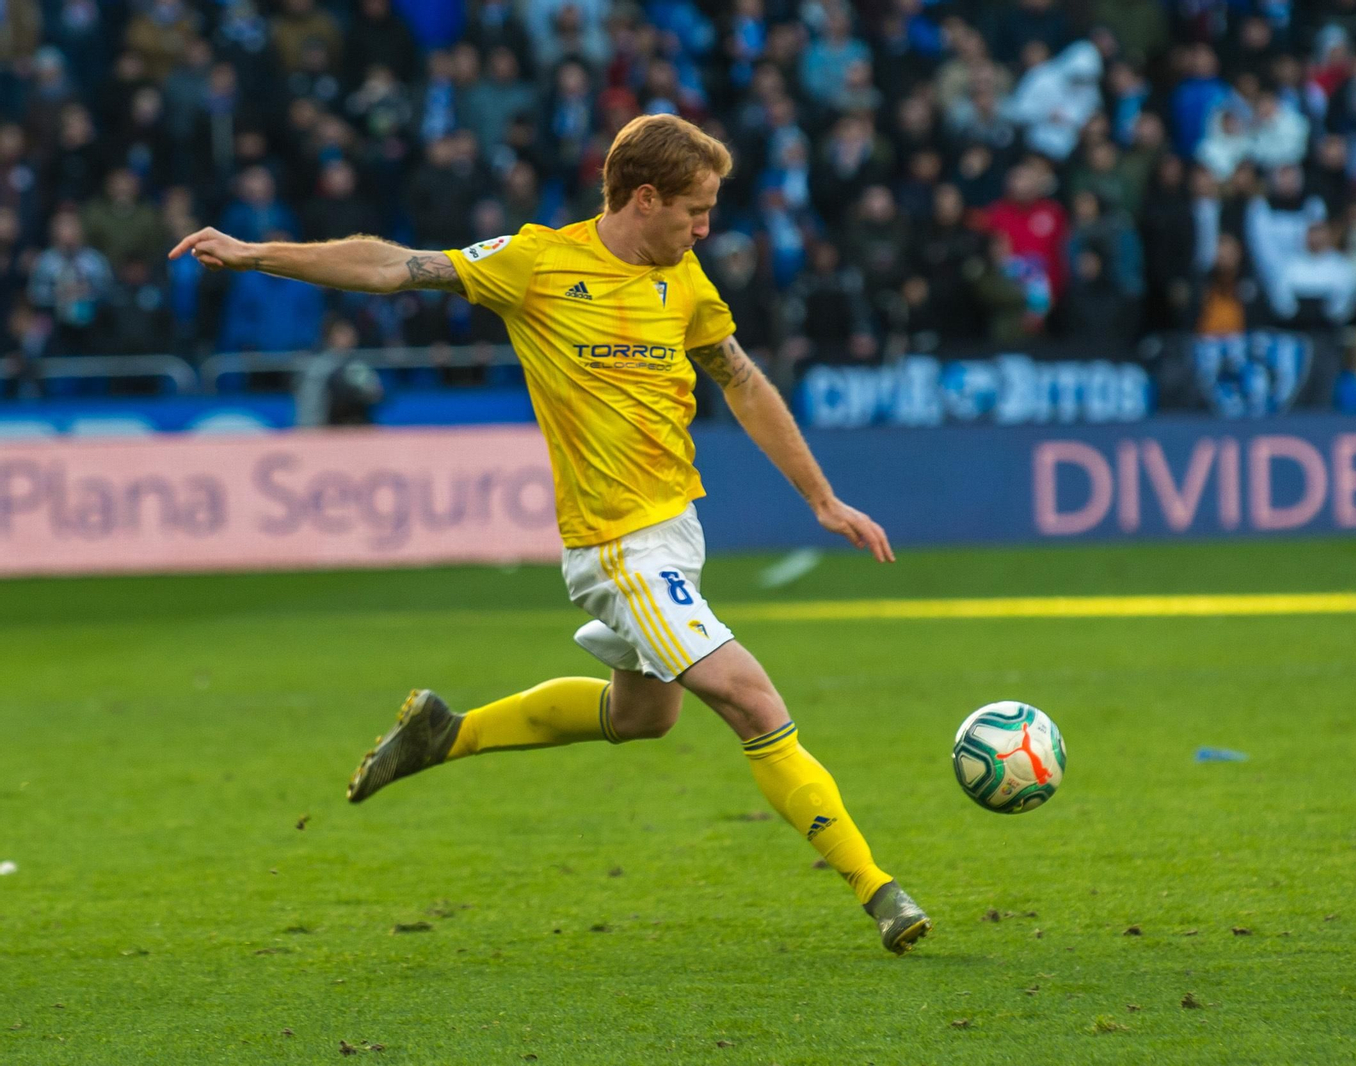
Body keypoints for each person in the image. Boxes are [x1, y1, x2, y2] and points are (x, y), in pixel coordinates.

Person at [167, 114, 930, 956]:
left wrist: (822, 499)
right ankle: (878, 888)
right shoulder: (538, 262)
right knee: (753, 701)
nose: (706, 228)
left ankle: (446, 733)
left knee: (645, 716)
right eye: (696, 210)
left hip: (677, 531)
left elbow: (741, 380)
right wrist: (257, 252)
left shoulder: (684, 278)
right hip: (618, 546)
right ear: (645, 198)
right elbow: (396, 266)